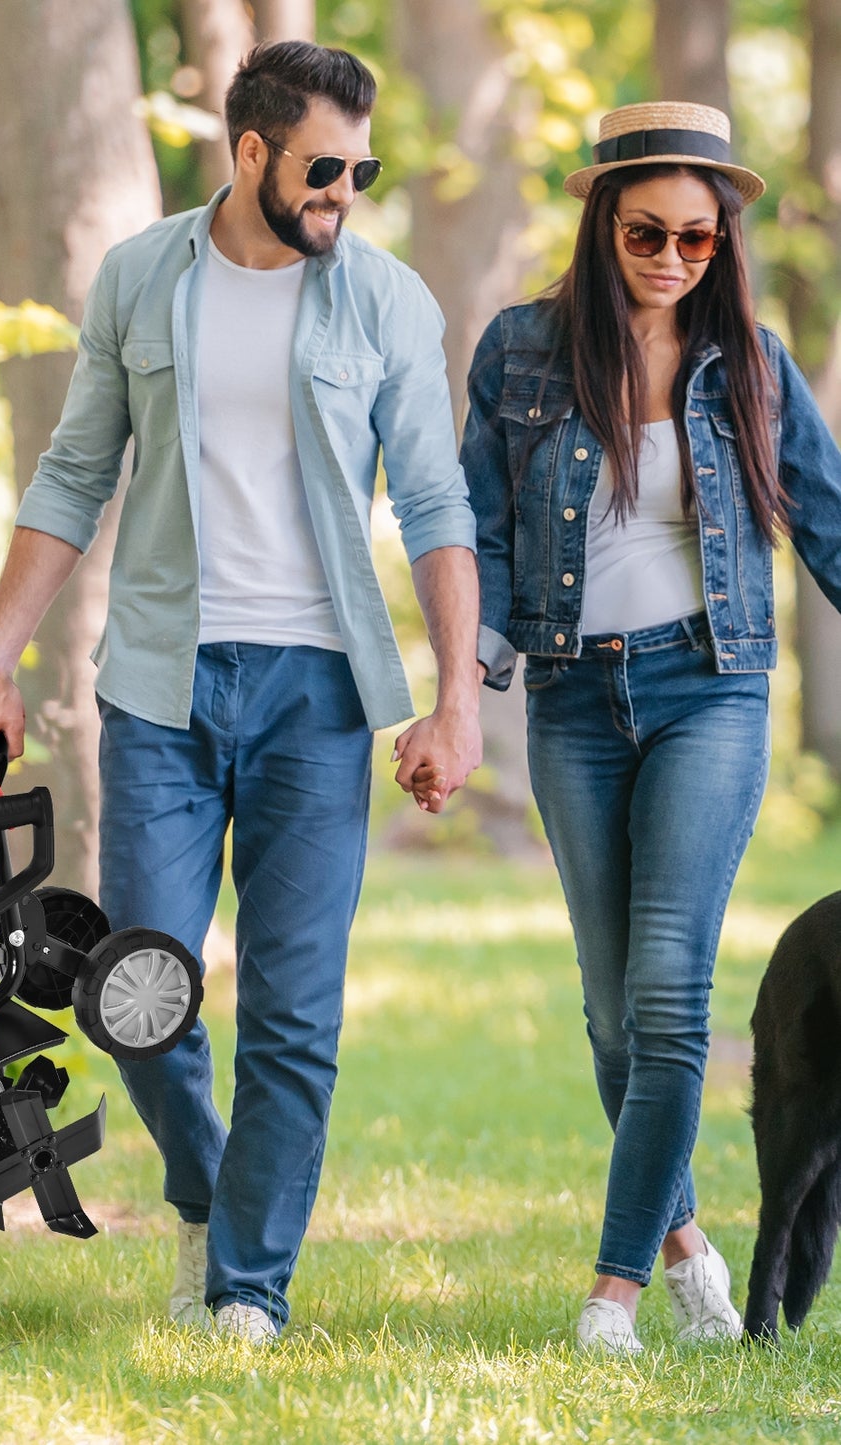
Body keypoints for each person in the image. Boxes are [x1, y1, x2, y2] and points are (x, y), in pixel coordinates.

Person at [0, 40, 485, 1342]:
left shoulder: (385, 301)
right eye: (319, 167)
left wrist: (457, 696)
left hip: (316, 700)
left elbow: (432, 502)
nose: (341, 191)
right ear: (249, 153)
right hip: (159, 694)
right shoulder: (142, 278)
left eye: (359, 169)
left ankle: (247, 1287)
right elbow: (73, 474)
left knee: (295, 1014)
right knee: (137, 990)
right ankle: (207, 1193)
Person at [461, 101, 841, 1353]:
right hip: (571, 696)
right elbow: (472, 528)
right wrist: (460, 689)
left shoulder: (753, 364)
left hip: (709, 688)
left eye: (696, 237)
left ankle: (609, 1294)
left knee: (672, 1001)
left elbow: (830, 526)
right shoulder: (519, 351)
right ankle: (683, 1248)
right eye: (646, 233)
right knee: (614, 1015)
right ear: (599, 222)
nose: (672, 258)